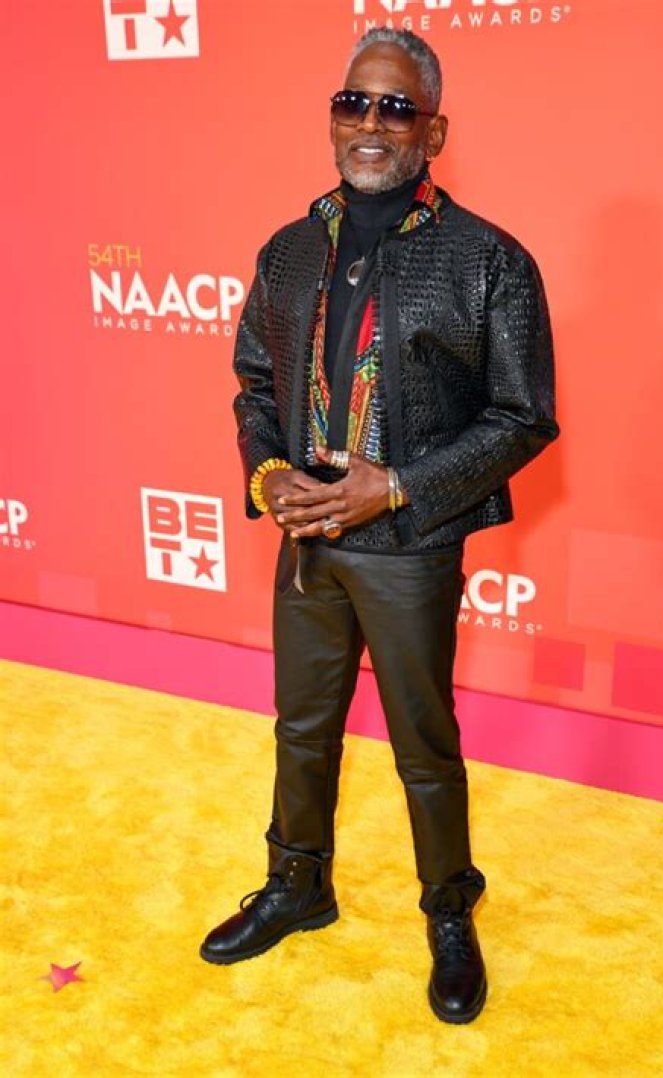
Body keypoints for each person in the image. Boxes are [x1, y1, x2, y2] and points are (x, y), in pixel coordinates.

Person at [200, 28, 559, 1025]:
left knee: (423, 744)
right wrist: (270, 473)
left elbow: (523, 416)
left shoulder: (488, 259)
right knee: (302, 727)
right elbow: (255, 384)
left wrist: (395, 487)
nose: (370, 123)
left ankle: (448, 909)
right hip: (308, 536)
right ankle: (297, 883)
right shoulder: (287, 249)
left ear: (433, 131)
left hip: (410, 546)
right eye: (353, 102)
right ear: (333, 117)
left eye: (396, 108)